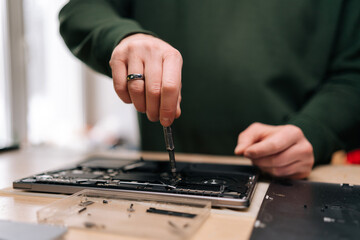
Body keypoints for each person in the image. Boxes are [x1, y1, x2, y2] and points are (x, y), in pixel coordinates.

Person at [59, 0, 360, 179]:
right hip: (158, 182)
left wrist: (316, 129)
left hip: (286, 182)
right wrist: (122, 37)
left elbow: (353, 72)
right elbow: (81, 9)